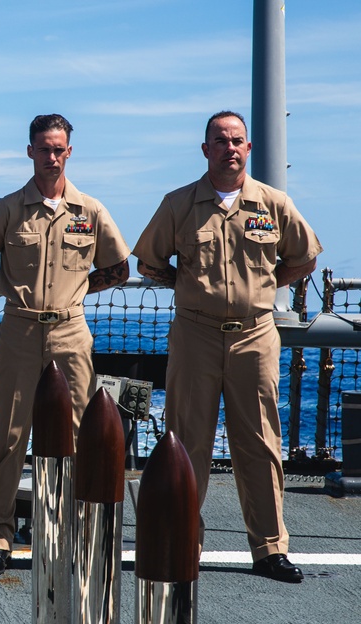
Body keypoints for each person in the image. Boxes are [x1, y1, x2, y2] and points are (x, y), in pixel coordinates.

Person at [133, 111, 322, 583]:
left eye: (237, 140)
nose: (229, 148)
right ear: (205, 150)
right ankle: (182, 544)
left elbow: (305, 257)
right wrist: (189, 288)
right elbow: (150, 260)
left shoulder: (273, 203)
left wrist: (263, 287)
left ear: (249, 148)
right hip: (195, 334)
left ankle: (270, 549)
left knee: (259, 443)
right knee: (186, 443)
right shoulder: (178, 204)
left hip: (255, 336)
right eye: (220, 141)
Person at [0, 114, 131, 577]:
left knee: (75, 437)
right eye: (44, 148)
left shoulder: (91, 212)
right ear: (30, 152)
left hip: (71, 333)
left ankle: (73, 535)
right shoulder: (9, 209)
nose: (51, 157)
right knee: (11, 437)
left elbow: (118, 270)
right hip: (18, 332)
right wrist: (17, 293)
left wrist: (73, 294)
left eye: (59, 149)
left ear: (69, 153)